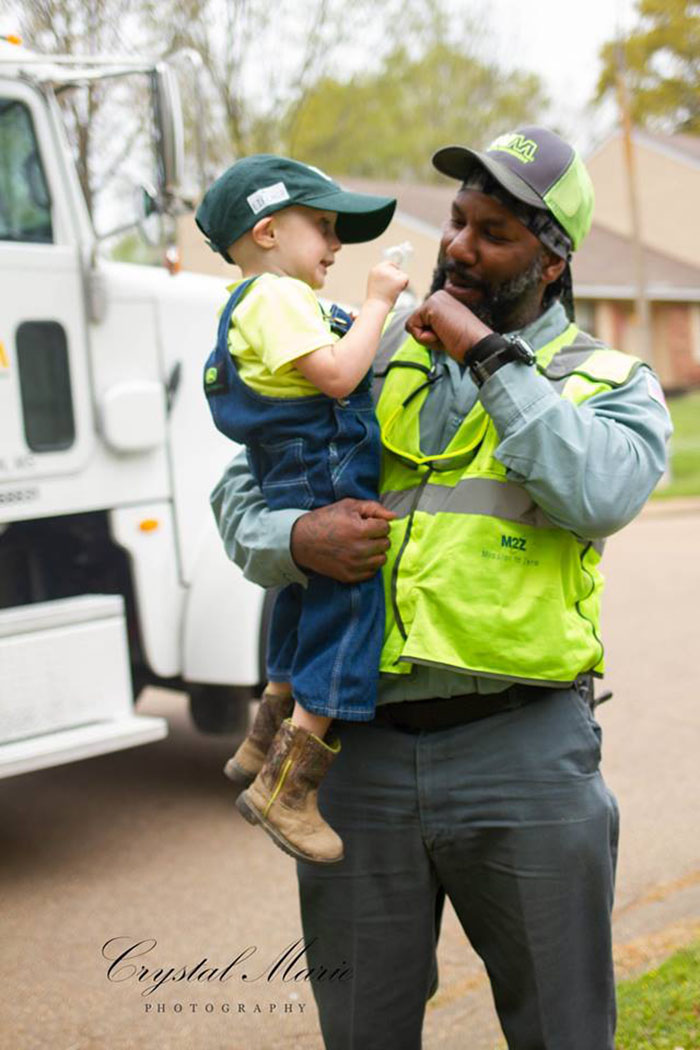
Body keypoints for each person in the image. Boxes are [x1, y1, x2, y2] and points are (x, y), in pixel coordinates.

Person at [210, 127, 671, 1050]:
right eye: (457, 221)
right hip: (359, 758)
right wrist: (298, 537)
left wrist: (490, 355)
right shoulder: (366, 355)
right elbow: (238, 490)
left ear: (552, 260)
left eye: (491, 231)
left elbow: (601, 493)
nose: (457, 246)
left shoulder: (610, 383)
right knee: (361, 1030)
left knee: (562, 1030)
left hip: (525, 754)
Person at [196, 155, 408, 865]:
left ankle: (260, 738)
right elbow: (342, 373)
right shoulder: (276, 298)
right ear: (265, 232)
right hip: (325, 474)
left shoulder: (260, 305)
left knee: (299, 596)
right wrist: (378, 302)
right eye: (323, 226)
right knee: (348, 613)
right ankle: (287, 788)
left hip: (289, 474)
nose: (337, 244)